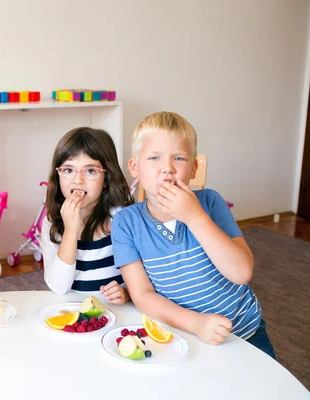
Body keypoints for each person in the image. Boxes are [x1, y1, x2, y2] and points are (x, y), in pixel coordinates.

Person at [112, 112, 275, 358]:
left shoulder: (210, 202)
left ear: (194, 167)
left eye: (178, 158)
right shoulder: (126, 223)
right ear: (135, 167)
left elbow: (241, 272)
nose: (167, 168)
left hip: (245, 333)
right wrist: (197, 323)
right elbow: (142, 295)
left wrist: (194, 217)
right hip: (183, 335)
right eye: (154, 157)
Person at [42, 127, 133, 304]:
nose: (78, 180)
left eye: (90, 171)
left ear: (107, 178)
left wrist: (127, 292)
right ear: (57, 174)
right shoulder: (51, 224)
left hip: (117, 313)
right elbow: (58, 287)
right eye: (68, 170)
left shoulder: (122, 218)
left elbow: (145, 277)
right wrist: (70, 231)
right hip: (74, 313)